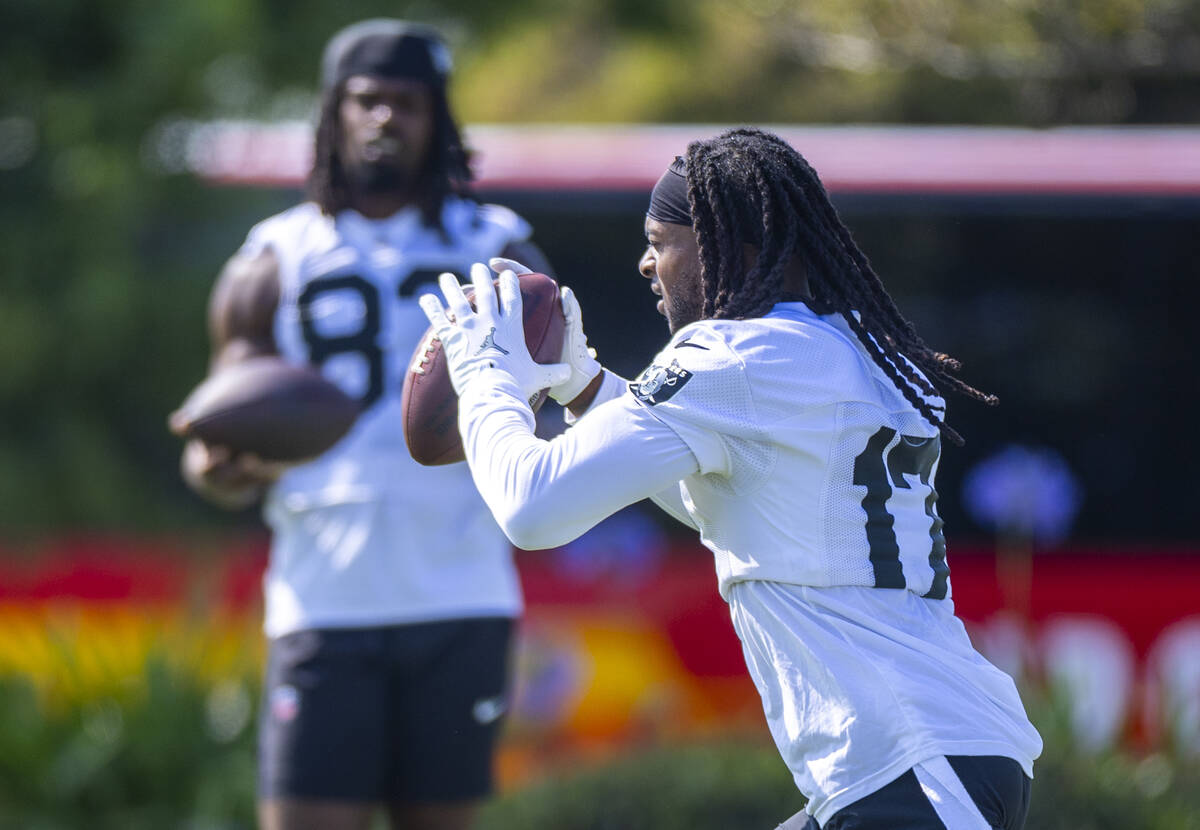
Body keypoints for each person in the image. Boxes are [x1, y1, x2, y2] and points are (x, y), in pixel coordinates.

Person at [419, 128, 1043, 829]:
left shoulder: (736, 357)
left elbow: (531, 509)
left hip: (913, 767)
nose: (646, 263)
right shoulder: (853, 348)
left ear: (730, 246)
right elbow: (734, 503)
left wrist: (483, 378)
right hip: (935, 752)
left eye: (661, 239)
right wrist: (584, 385)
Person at [174, 19, 554, 830]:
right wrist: (222, 470)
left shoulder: (499, 244)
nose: (387, 119)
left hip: (461, 586)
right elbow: (218, 439)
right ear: (333, 114)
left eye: (408, 103)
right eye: (368, 101)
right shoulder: (272, 254)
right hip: (323, 598)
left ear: (438, 117)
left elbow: (547, 395)